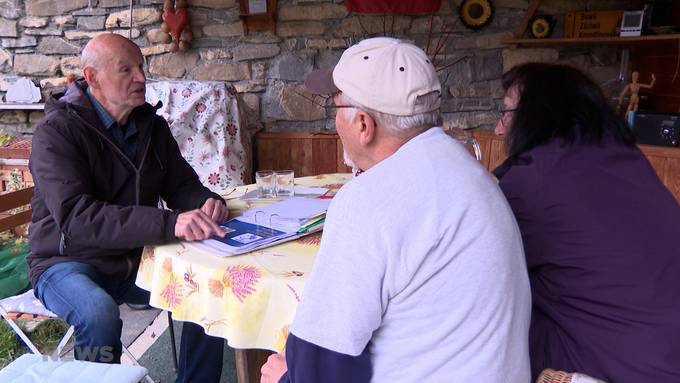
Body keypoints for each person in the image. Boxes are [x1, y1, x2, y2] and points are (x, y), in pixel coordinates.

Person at [260, 37, 532, 383]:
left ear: (363, 124)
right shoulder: (472, 173)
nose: (333, 124)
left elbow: (325, 363)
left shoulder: (369, 200)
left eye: (335, 106)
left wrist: (285, 378)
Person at [28, 33, 228, 382]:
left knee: (207, 288)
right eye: (126, 70)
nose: (141, 78)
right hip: (65, 261)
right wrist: (170, 224)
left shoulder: (152, 126)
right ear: (92, 78)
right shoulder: (57, 132)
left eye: (141, 67)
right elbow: (78, 218)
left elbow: (181, 185)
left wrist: (206, 202)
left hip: (134, 259)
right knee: (97, 312)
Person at [493, 62, 680, 382]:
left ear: (539, 114)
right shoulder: (625, 158)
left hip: (617, 366)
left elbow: (481, 272)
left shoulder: (534, 181)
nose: (498, 129)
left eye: (507, 113)